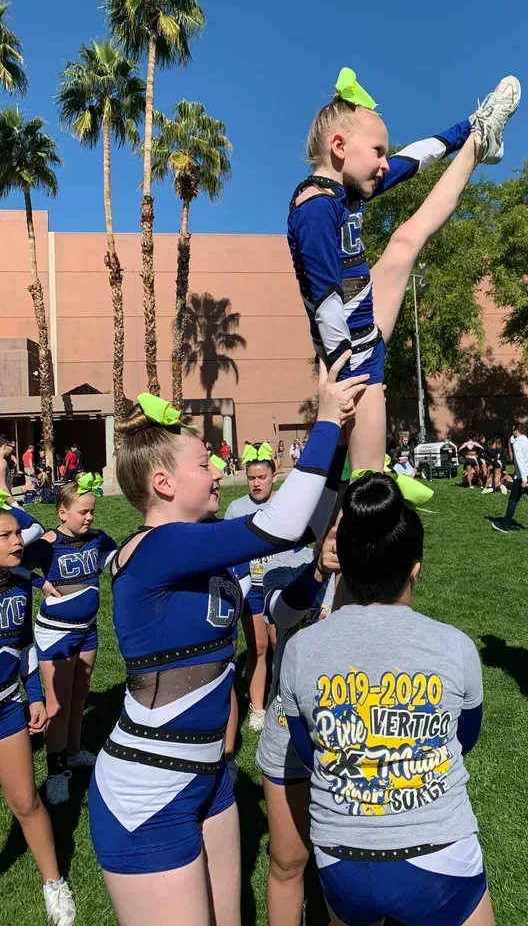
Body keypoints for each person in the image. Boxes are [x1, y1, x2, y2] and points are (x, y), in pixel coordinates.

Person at [86, 354, 364, 926]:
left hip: (212, 777)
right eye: (204, 463)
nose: (220, 471)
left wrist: (316, 571)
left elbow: (281, 613)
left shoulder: (208, 544)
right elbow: (282, 523)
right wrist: (327, 421)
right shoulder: (157, 548)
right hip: (149, 791)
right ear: (163, 483)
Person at [288, 66, 520, 481]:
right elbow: (323, 297)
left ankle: (481, 134)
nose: (383, 163)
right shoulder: (315, 208)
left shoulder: (345, 191)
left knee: (406, 239)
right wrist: (342, 372)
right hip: (354, 359)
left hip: (365, 317)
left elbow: (414, 159)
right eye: (377, 151)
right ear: (339, 146)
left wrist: (464, 129)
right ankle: (336, 540)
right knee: (367, 482)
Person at [280, 473, 492, 926]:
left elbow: (306, 748)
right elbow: (465, 737)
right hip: (439, 853)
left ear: (345, 563)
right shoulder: (454, 646)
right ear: (416, 566)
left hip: (341, 857)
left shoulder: (301, 649)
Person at [257, 525, 340, 926]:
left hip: (353, 729)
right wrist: (318, 571)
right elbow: (279, 612)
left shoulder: (369, 564)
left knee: (345, 859)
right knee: (289, 859)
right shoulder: (286, 562)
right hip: (289, 728)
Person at [0, 509, 77, 924]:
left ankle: (54, 884)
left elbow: (25, 644)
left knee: (27, 801)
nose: (18, 541)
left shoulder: (21, 584)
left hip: (7, 707)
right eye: (6, 535)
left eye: (17, 534)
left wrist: (33, 696)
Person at [24, 474, 116, 805]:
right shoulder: (46, 546)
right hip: (55, 636)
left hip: (88, 631)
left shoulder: (99, 540)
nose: (89, 517)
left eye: (92, 511)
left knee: (78, 697)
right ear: (62, 512)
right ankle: (55, 772)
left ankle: (74, 752)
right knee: (57, 706)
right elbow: (10, 565)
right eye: (83, 512)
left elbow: (118, 561)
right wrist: (37, 583)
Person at [224, 442, 281, 733]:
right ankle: (258, 708)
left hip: (279, 585)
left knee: (278, 644)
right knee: (258, 647)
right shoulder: (236, 509)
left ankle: (283, 700)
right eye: (251, 478)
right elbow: (228, 550)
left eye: (262, 477)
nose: (256, 483)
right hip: (250, 590)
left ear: (274, 475)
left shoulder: (285, 504)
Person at [492, 424, 528, 533]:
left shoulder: (518, 444)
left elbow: (520, 461)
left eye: (513, 430)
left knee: (513, 501)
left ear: (516, 431)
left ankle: (505, 525)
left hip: (522, 477)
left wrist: (524, 479)